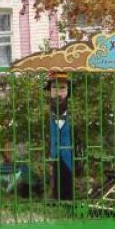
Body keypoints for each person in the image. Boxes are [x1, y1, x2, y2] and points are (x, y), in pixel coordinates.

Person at [46, 71, 73, 200]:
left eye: (62, 88)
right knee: (55, 175)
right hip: (54, 152)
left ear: (68, 90)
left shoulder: (72, 112)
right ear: (49, 90)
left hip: (67, 153)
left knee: (67, 176)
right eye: (54, 88)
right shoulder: (48, 112)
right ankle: (55, 196)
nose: (58, 92)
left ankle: (68, 199)